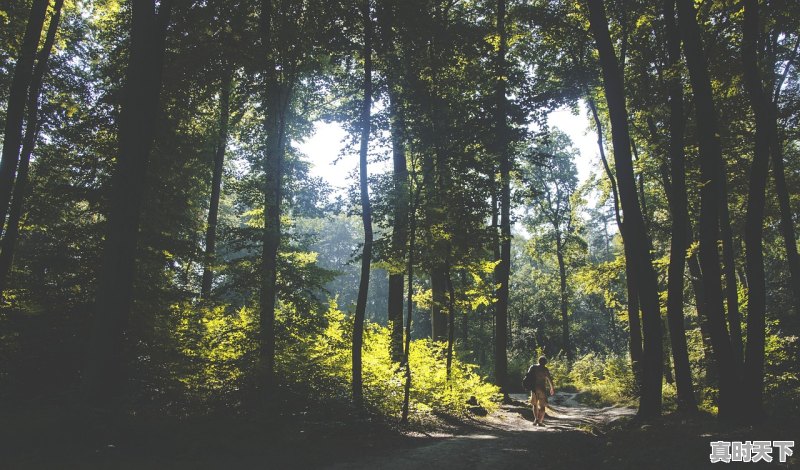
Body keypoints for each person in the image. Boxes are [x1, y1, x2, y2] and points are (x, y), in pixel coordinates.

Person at [527, 356, 555, 426]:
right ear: (545, 363)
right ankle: (540, 422)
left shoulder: (533, 367)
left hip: (534, 388)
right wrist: (552, 388)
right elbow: (549, 379)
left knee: (535, 404)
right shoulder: (545, 369)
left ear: (538, 361)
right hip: (542, 389)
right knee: (542, 406)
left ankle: (536, 419)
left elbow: (527, 375)